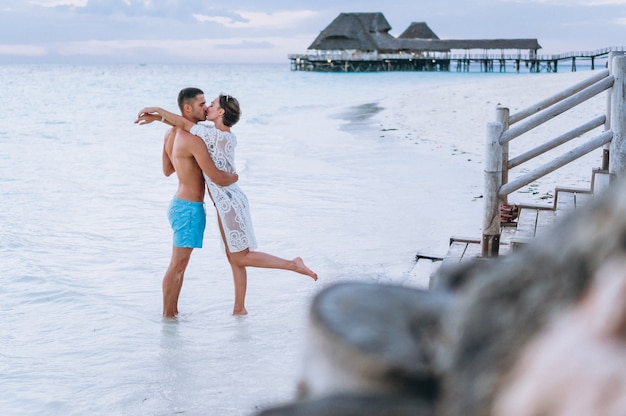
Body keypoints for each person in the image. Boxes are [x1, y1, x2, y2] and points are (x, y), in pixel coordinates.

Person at [136, 94, 318, 315]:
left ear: (221, 112)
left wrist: (157, 115)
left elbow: (185, 131)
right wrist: (157, 116)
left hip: (228, 202)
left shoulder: (209, 135)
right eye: (204, 104)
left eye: (210, 104)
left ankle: (292, 264)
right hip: (227, 201)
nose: (207, 108)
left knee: (240, 256)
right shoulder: (224, 136)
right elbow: (185, 127)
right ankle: (239, 308)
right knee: (235, 257)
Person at [146, 87, 239, 318]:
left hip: (179, 205)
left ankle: (173, 315)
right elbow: (216, 176)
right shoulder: (193, 139)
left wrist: (185, 167)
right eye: (201, 104)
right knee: (177, 266)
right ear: (187, 108)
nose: (206, 108)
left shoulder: (171, 134)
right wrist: (235, 177)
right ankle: (168, 317)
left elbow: (168, 170)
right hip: (188, 209)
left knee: (180, 266)